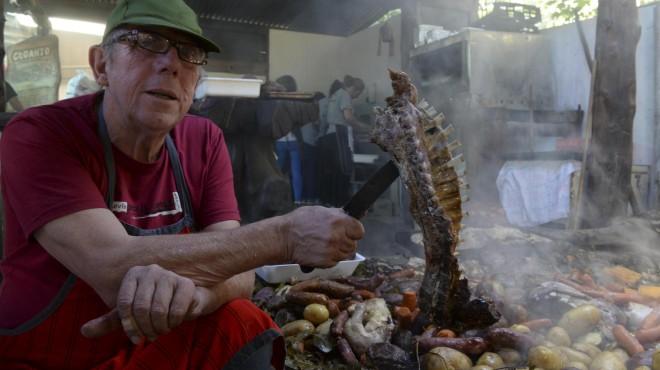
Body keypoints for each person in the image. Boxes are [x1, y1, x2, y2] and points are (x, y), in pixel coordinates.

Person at [0, 1, 364, 369]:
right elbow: (111, 266)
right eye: (145, 42)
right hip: (55, 354)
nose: (171, 64)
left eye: (189, 53)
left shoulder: (204, 139)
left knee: (243, 320)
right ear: (101, 65)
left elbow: (239, 273)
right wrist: (284, 236)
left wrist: (201, 297)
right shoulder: (41, 134)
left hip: (157, 342)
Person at [318, 75, 370, 206]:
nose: (357, 97)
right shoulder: (345, 95)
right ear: (355, 89)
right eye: (358, 93)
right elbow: (348, 117)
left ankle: (332, 203)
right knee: (343, 169)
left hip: (330, 135)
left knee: (334, 171)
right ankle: (342, 203)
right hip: (339, 134)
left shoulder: (336, 94)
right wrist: (366, 127)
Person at [273, 75, 303, 204]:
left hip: (280, 140)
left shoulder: (276, 101)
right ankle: (297, 200)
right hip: (294, 140)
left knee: (276, 172)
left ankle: (275, 199)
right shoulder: (297, 101)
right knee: (296, 173)